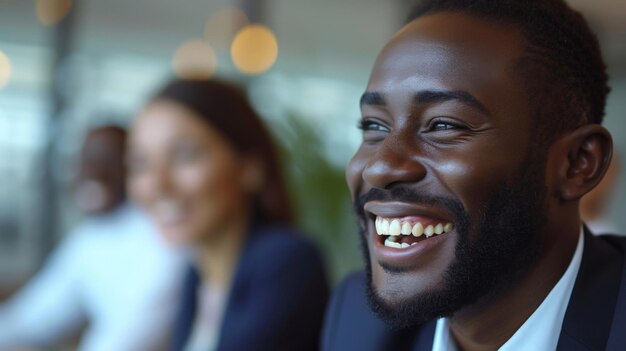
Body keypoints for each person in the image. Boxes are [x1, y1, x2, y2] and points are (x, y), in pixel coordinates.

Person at [322, 0, 626, 350]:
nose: (380, 167)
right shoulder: (357, 321)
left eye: (443, 125)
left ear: (576, 163)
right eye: (374, 125)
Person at [127, 78, 329, 351]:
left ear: (250, 167)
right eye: (140, 164)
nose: (157, 184)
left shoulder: (287, 261)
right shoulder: (196, 276)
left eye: (184, 157)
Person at [0, 126, 187, 351]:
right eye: (86, 159)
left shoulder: (164, 240)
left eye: (109, 161)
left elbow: (125, 344)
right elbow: (33, 317)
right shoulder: (90, 237)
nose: (93, 171)